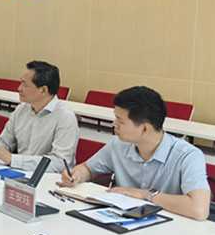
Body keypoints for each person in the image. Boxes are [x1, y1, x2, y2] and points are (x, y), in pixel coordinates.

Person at [58, 86, 210, 221]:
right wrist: (76, 175)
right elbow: (89, 169)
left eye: (120, 121)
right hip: (121, 222)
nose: (114, 124)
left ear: (144, 129)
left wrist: (146, 194)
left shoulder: (187, 155)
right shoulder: (118, 145)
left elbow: (199, 209)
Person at [0, 60, 79, 172]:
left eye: (25, 85)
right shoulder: (21, 109)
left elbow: (59, 163)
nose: (19, 88)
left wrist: (14, 160)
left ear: (43, 90)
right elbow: (5, 141)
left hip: (48, 177)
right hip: (20, 171)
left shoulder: (65, 117)